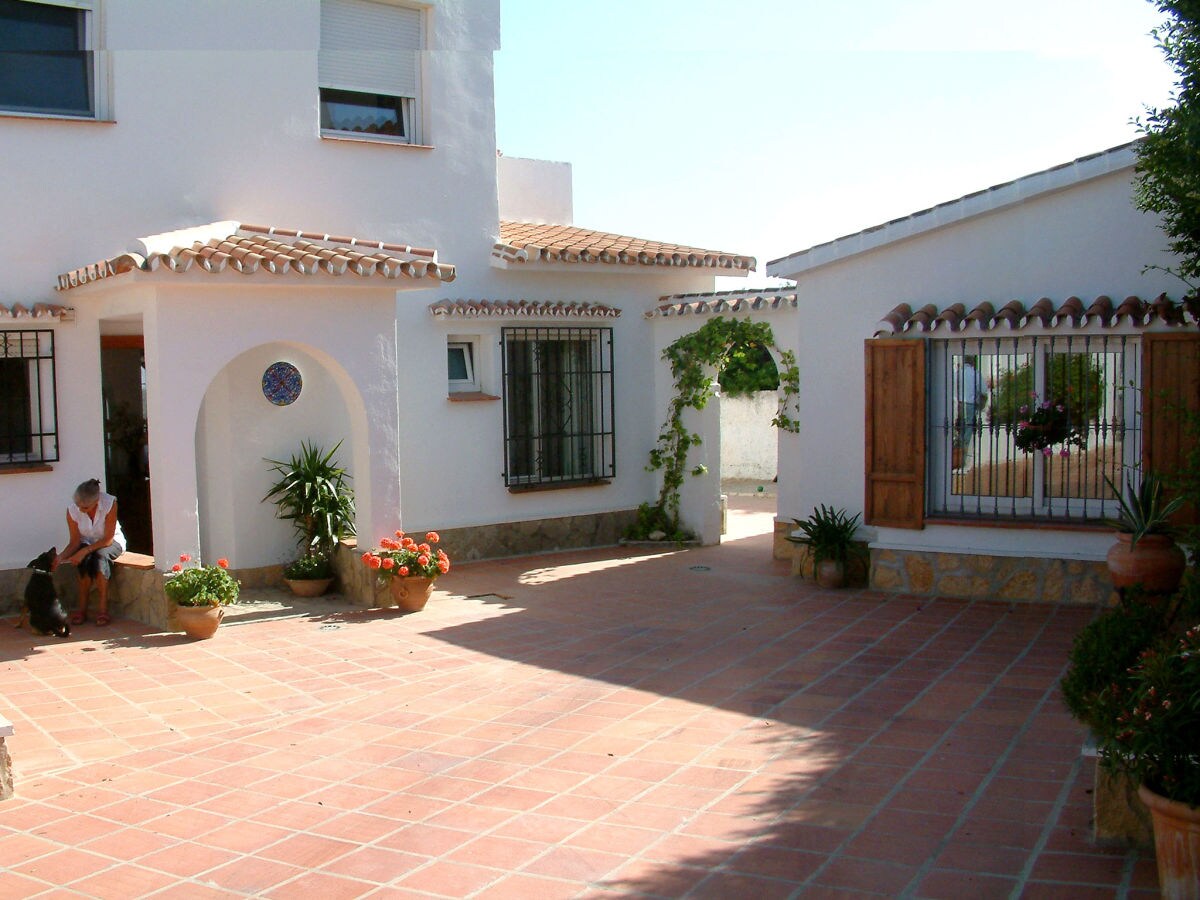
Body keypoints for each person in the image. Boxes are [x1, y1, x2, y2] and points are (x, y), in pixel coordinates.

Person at [57, 478, 125, 626]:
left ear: (96, 501)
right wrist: (60, 557)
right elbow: (74, 542)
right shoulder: (72, 511)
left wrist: (84, 551)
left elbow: (108, 539)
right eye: (79, 506)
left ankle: (103, 609)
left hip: (111, 542)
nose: (81, 510)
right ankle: (82, 609)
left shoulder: (109, 503)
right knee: (85, 563)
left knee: (100, 558)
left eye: (85, 508)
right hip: (87, 543)